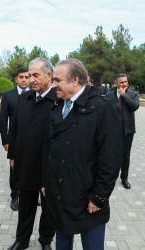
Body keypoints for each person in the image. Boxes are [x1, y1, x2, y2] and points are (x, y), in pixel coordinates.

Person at [42, 59, 122, 250]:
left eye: (58, 80)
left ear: (75, 80)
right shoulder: (58, 106)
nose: (53, 85)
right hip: (60, 193)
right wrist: (45, 182)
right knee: (62, 244)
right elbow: (48, 149)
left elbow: (111, 158)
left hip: (88, 199)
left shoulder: (102, 108)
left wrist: (99, 196)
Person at [7, 57, 56, 250]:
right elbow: (15, 129)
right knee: (25, 205)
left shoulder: (58, 101)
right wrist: (12, 156)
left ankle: (45, 241)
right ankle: (22, 240)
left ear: (49, 75)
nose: (31, 79)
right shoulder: (24, 98)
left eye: (36, 75)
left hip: (48, 165)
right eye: (29, 75)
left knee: (48, 208)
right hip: (26, 163)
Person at [0, 67, 30, 211]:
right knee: (14, 168)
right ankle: (15, 196)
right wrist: (5, 141)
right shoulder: (8, 95)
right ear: (16, 79)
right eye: (21, 77)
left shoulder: (36, 94)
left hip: (32, 140)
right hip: (15, 140)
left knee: (32, 167)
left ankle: (30, 195)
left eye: (27, 77)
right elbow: (3, 119)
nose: (24, 79)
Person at [106, 73, 139, 189]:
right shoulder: (108, 95)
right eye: (121, 82)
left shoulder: (133, 94)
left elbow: (135, 106)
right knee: (112, 155)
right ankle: (111, 177)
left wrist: (124, 95)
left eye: (125, 82)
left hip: (127, 130)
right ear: (116, 83)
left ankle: (124, 178)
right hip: (112, 131)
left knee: (125, 155)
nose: (124, 84)